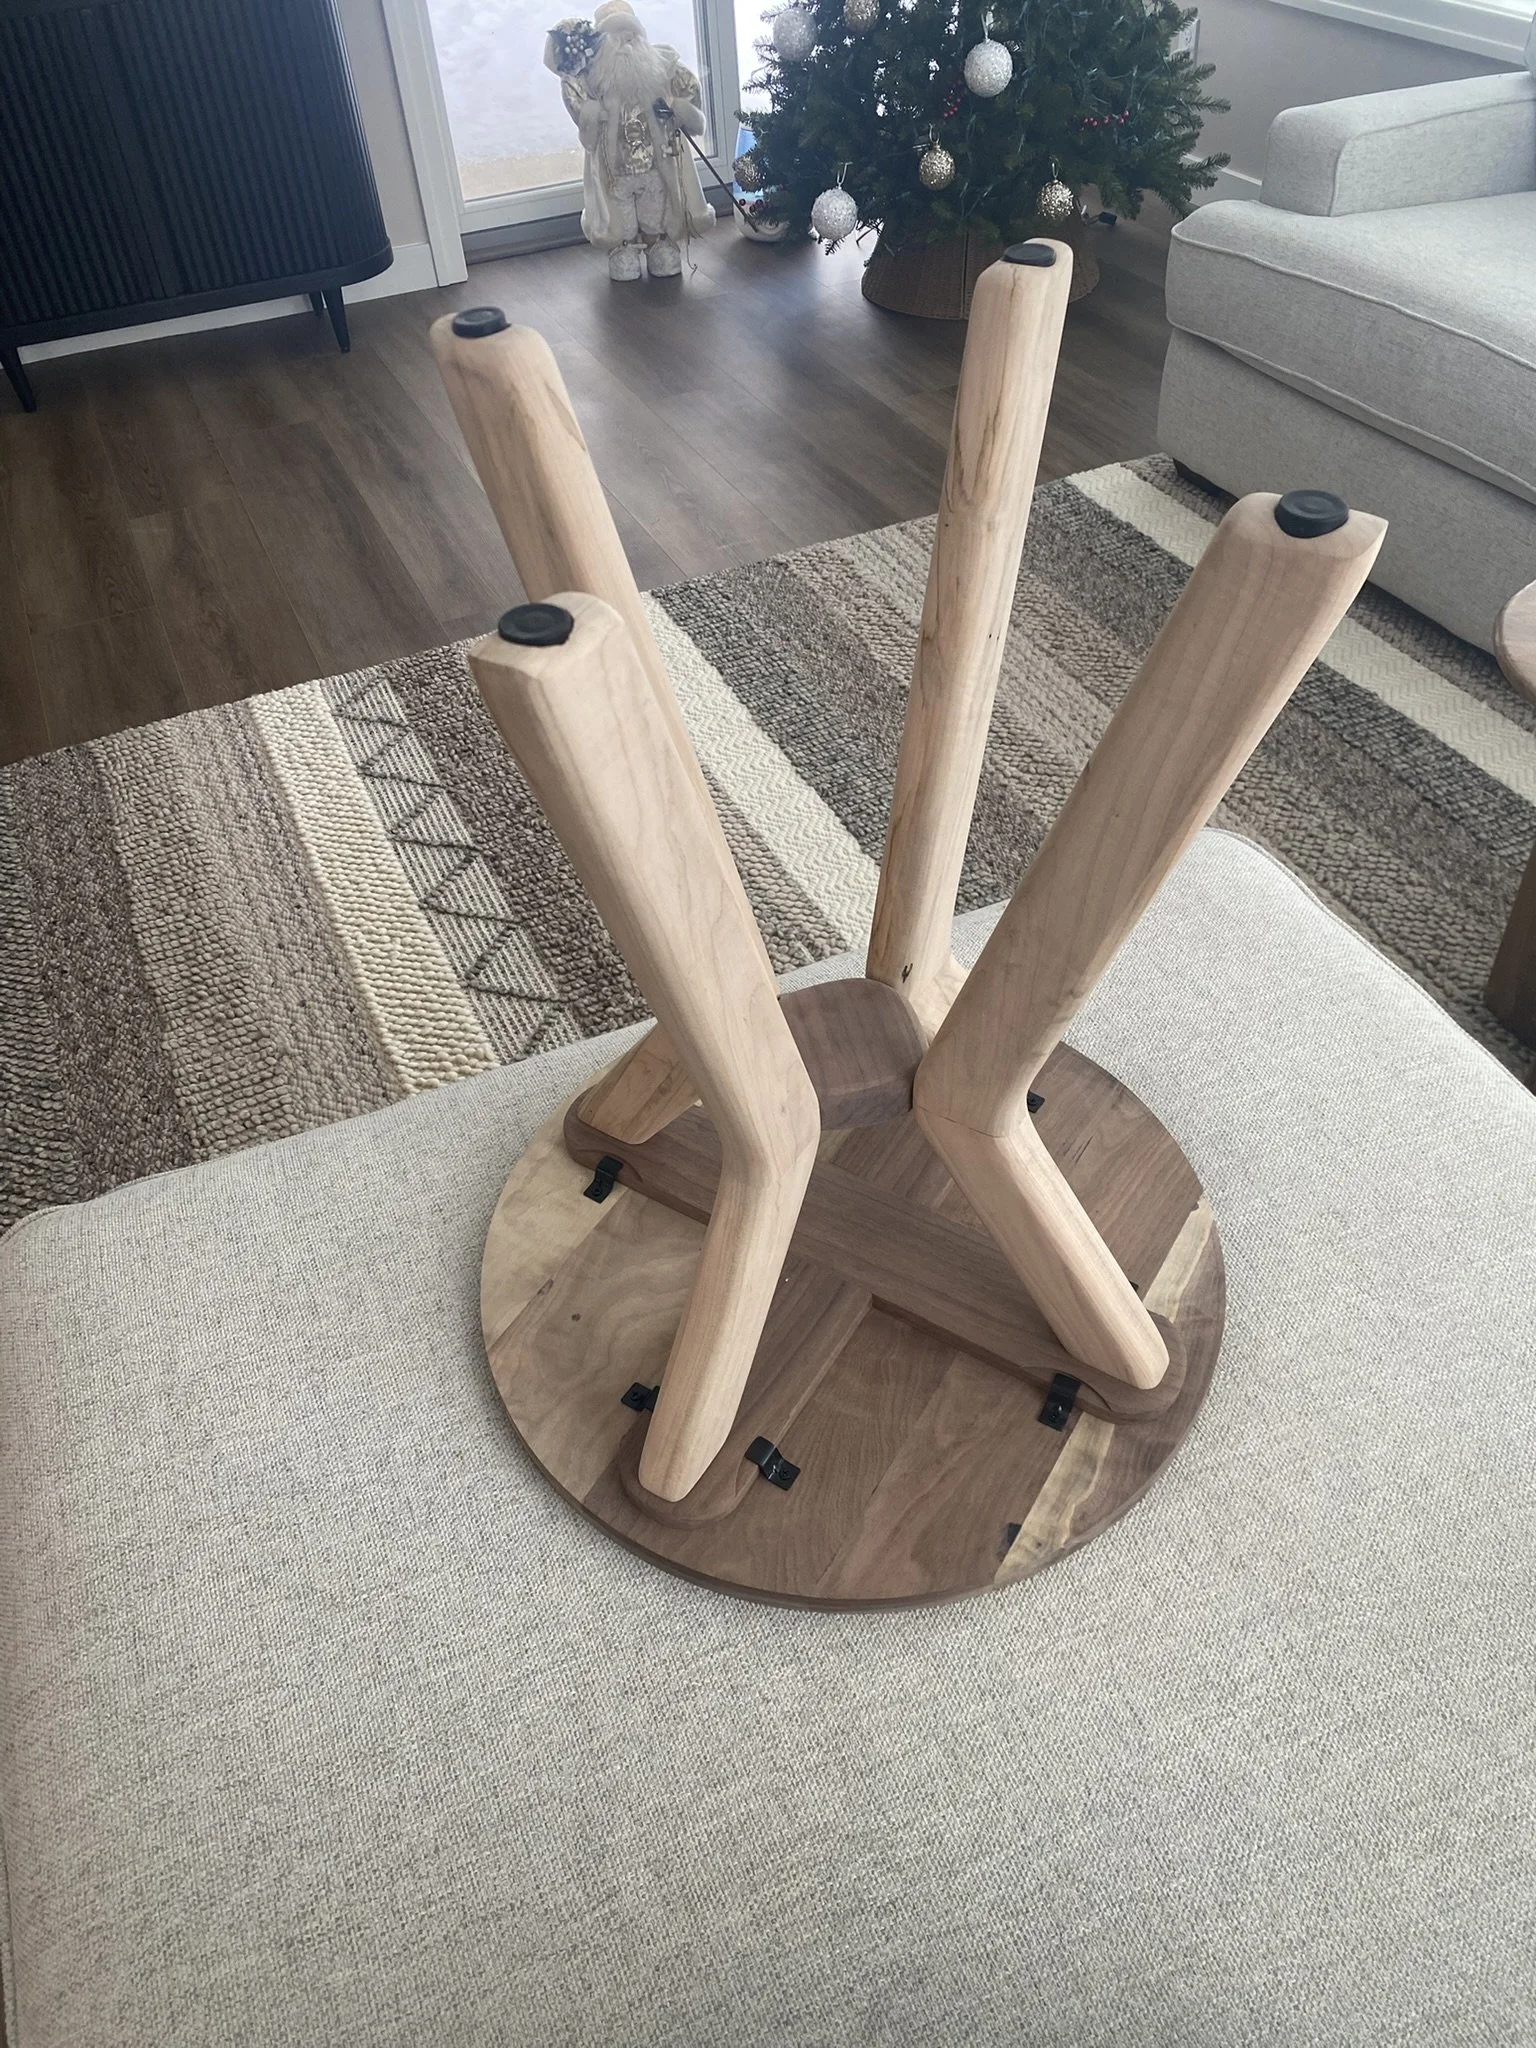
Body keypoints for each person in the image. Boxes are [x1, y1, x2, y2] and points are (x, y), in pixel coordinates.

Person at [545, 1, 714, 280]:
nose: (625, 44)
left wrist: (680, 109)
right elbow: (573, 95)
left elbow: (688, 86)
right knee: (618, 208)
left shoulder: (661, 66)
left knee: (655, 202)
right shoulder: (593, 77)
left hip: (654, 160)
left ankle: (657, 241)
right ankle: (622, 248)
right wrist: (589, 108)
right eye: (616, 37)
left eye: (630, 36)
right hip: (615, 167)